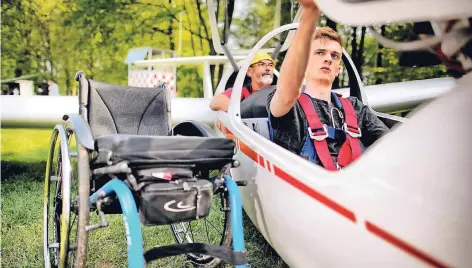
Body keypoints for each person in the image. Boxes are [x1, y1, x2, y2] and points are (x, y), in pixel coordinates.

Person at [267, 0, 389, 170]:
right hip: (302, 192)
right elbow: (287, 94)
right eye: (320, 53)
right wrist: (310, 12)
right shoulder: (291, 106)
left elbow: (388, 142)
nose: (328, 59)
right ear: (304, 62)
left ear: (338, 69)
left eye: (335, 55)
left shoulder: (355, 107)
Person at [210, 51, 275, 112]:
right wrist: (239, 113)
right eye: (262, 64)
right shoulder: (241, 92)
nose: (268, 68)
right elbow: (215, 103)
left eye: (271, 65)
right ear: (249, 71)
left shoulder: (277, 92)